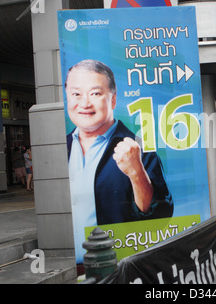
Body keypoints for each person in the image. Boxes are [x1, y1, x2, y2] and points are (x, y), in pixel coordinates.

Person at [65, 59, 173, 263]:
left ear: (113, 100)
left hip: (121, 265)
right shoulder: (62, 148)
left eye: (95, 93)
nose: (85, 103)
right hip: (75, 267)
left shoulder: (138, 147)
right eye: (76, 94)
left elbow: (160, 216)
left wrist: (137, 173)